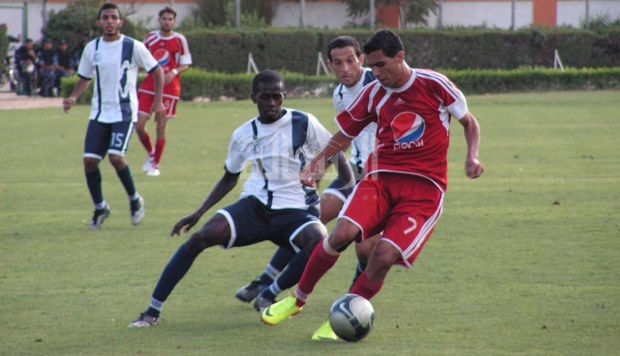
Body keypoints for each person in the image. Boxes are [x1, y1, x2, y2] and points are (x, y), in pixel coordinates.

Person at [261, 29, 485, 333]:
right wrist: (319, 162)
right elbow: (345, 134)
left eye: (381, 65)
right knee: (341, 233)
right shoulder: (374, 94)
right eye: (373, 66)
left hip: (424, 190)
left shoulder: (434, 85)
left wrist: (472, 156)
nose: (376, 73)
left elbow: (469, 123)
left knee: (381, 256)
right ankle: (298, 299)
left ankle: (342, 316)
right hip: (380, 180)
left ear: (399, 57)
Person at [127, 70, 353, 328]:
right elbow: (230, 178)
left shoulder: (304, 122)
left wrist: (350, 191)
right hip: (255, 208)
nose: (271, 103)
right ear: (253, 97)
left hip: (297, 211)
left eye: (276, 97)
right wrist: (199, 212)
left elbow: (338, 155)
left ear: (283, 96)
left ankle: (269, 292)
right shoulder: (243, 134)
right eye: (265, 97)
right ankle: (151, 312)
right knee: (199, 238)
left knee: (319, 241)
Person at [234, 36, 380, 340]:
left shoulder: (380, 83)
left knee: (364, 247)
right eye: (338, 62)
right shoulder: (340, 93)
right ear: (330, 65)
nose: (344, 67)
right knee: (311, 219)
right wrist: (319, 167)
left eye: (350, 60)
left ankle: (353, 300)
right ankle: (267, 283)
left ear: (361, 60)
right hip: (354, 169)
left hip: (380, 176)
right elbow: (346, 136)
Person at [62, 3, 165, 229]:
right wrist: (73, 97)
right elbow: (85, 77)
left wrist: (157, 102)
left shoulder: (132, 46)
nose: (109, 21)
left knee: (116, 158)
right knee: (89, 161)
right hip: (99, 114)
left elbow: (158, 70)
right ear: (99, 22)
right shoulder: (92, 48)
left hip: (124, 112)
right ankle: (100, 208)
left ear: (121, 22)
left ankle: (135, 200)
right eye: (105, 17)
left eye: (113, 17)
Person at [136, 6, 192, 177]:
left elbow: (185, 63)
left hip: (169, 89)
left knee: (160, 126)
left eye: (170, 19)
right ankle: (151, 152)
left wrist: (173, 72)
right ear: (159, 20)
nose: (167, 22)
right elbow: (141, 59)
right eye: (164, 19)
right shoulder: (150, 38)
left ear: (174, 22)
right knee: (139, 125)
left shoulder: (179, 40)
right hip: (149, 86)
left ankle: (156, 164)